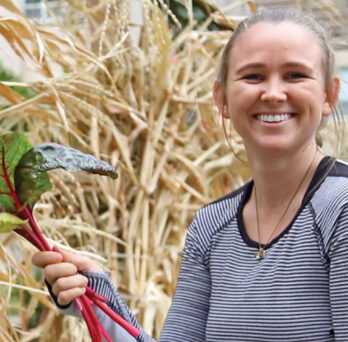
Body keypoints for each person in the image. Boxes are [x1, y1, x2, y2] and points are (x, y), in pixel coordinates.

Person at [32, 7, 348, 341]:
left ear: (328, 95)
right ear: (221, 98)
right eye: (253, 76)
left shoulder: (339, 210)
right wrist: (96, 299)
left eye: (295, 75)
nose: (272, 93)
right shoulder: (212, 227)